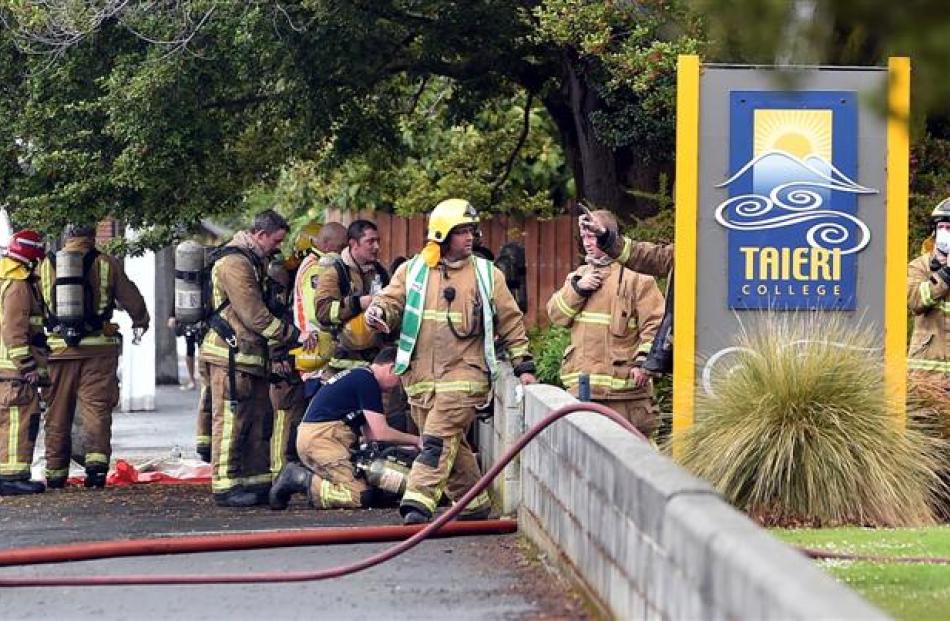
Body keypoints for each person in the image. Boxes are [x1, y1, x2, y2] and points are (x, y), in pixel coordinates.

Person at [365, 198, 537, 525]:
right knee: (451, 448)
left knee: (435, 440)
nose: (470, 237)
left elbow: (511, 322)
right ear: (442, 236)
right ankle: (474, 505)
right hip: (419, 381)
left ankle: (418, 500)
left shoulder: (487, 275)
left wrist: (524, 367)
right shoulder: (414, 270)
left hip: (464, 377)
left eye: (472, 231)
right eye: (461, 232)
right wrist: (378, 312)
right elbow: (390, 300)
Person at [198, 209, 300, 507]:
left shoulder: (255, 261)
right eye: (276, 240)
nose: (279, 247)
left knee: (258, 420)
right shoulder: (234, 263)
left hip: (251, 356)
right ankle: (225, 486)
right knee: (231, 420)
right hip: (230, 355)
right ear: (260, 235)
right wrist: (291, 335)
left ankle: (255, 482)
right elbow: (254, 315)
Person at [39, 224, 150, 489]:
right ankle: (97, 472)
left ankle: (55, 474)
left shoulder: (44, 265)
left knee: (57, 412)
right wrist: (141, 319)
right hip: (98, 350)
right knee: (96, 410)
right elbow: (130, 296)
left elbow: (35, 304)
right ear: (90, 238)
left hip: (57, 351)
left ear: (67, 239)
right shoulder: (106, 263)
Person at [548, 209, 665, 436]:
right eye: (584, 238)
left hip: (626, 398)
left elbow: (656, 325)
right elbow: (556, 315)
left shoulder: (637, 278)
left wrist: (644, 363)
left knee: (637, 461)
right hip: (583, 392)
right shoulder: (578, 276)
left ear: (608, 235)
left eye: (592, 236)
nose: (588, 243)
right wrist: (578, 289)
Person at [269, 346, 418, 510]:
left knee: (371, 489)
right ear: (392, 368)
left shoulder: (360, 377)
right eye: (400, 377)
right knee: (358, 496)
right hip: (322, 440)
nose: (399, 385)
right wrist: (417, 441)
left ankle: (314, 481)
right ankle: (299, 479)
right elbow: (380, 432)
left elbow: (370, 435)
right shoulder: (366, 381)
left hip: (320, 438)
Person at [0, 230, 49, 495]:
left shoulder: (5, 279)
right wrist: (28, 366)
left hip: (6, 370)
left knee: (7, 423)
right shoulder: (18, 286)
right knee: (19, 422)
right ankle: (12, 478)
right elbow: (14, 331)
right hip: (14, 371)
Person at [314, 219, 389, 376]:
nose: (377, 247)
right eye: (370, 241)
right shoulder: (334, 273)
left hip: (374, 365)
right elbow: (322, 312)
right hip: (341, 366)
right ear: (354, 244)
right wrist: (357, 303)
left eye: (378, 241)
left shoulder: (381, 273)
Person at [292, 221, 347, 397]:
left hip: (320, 352)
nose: (344, 250)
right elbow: (317, 312)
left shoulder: (319, 264)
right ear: (325, 243)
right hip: (315, 351)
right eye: (341, 246)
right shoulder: (317, 268)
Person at [908, 197, 950, 375]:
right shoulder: (919, 266)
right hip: (927, 375)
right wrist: (946, 273)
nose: (946, 232)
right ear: (934, 231)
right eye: (943, 227)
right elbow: (915, 301)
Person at [166, 311, 197, 390]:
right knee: (190, 348)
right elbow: (177, 299)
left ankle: (206, 381)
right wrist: (172, 315)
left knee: (204, 348)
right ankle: (192, 380)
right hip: (188, 316)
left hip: (204, 313)